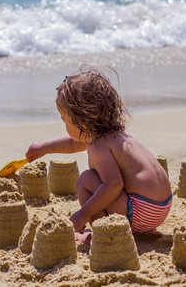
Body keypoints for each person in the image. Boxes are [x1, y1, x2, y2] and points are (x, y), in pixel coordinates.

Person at [25, 65, 172, 244]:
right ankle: (138, 225)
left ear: (81, 121)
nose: (63, 123)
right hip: (160, 208)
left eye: (64, 120)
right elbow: (74, 143)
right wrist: (44, 148)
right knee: (100, 180)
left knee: (85, 180)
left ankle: (101, 232)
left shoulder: (98, 147)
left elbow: (114, 184)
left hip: (142, 212)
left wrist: (84, 213)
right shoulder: (116, 136)